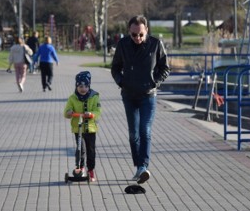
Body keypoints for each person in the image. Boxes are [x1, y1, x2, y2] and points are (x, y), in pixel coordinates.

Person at [111, 15, 170, 184]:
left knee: (145, 130)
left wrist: (155, 82)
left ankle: (143, 167)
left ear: (146, 31)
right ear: (129, 32)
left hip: (148, 95)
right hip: (129, 95)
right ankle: (138, 167)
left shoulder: (155, 44)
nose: (137, 38)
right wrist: (121, 82)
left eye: (141, 35)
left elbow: (165, 67)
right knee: (133, 134)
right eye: (134, 35)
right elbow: (115, 68)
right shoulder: (123, 45)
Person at [64, 71, 102, 182]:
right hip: (78, 128)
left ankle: (90, 170)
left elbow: (98, 110)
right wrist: (69, 112)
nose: (83, 89)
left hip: (90, 128)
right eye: (80, 86)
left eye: (86, 86)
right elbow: (66, 111)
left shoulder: (94, 96)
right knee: (80, 149)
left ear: (89, 85)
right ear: (77, 86)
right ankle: (79, 168)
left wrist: (92, 114)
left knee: (91, 150)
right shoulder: (72, 98)